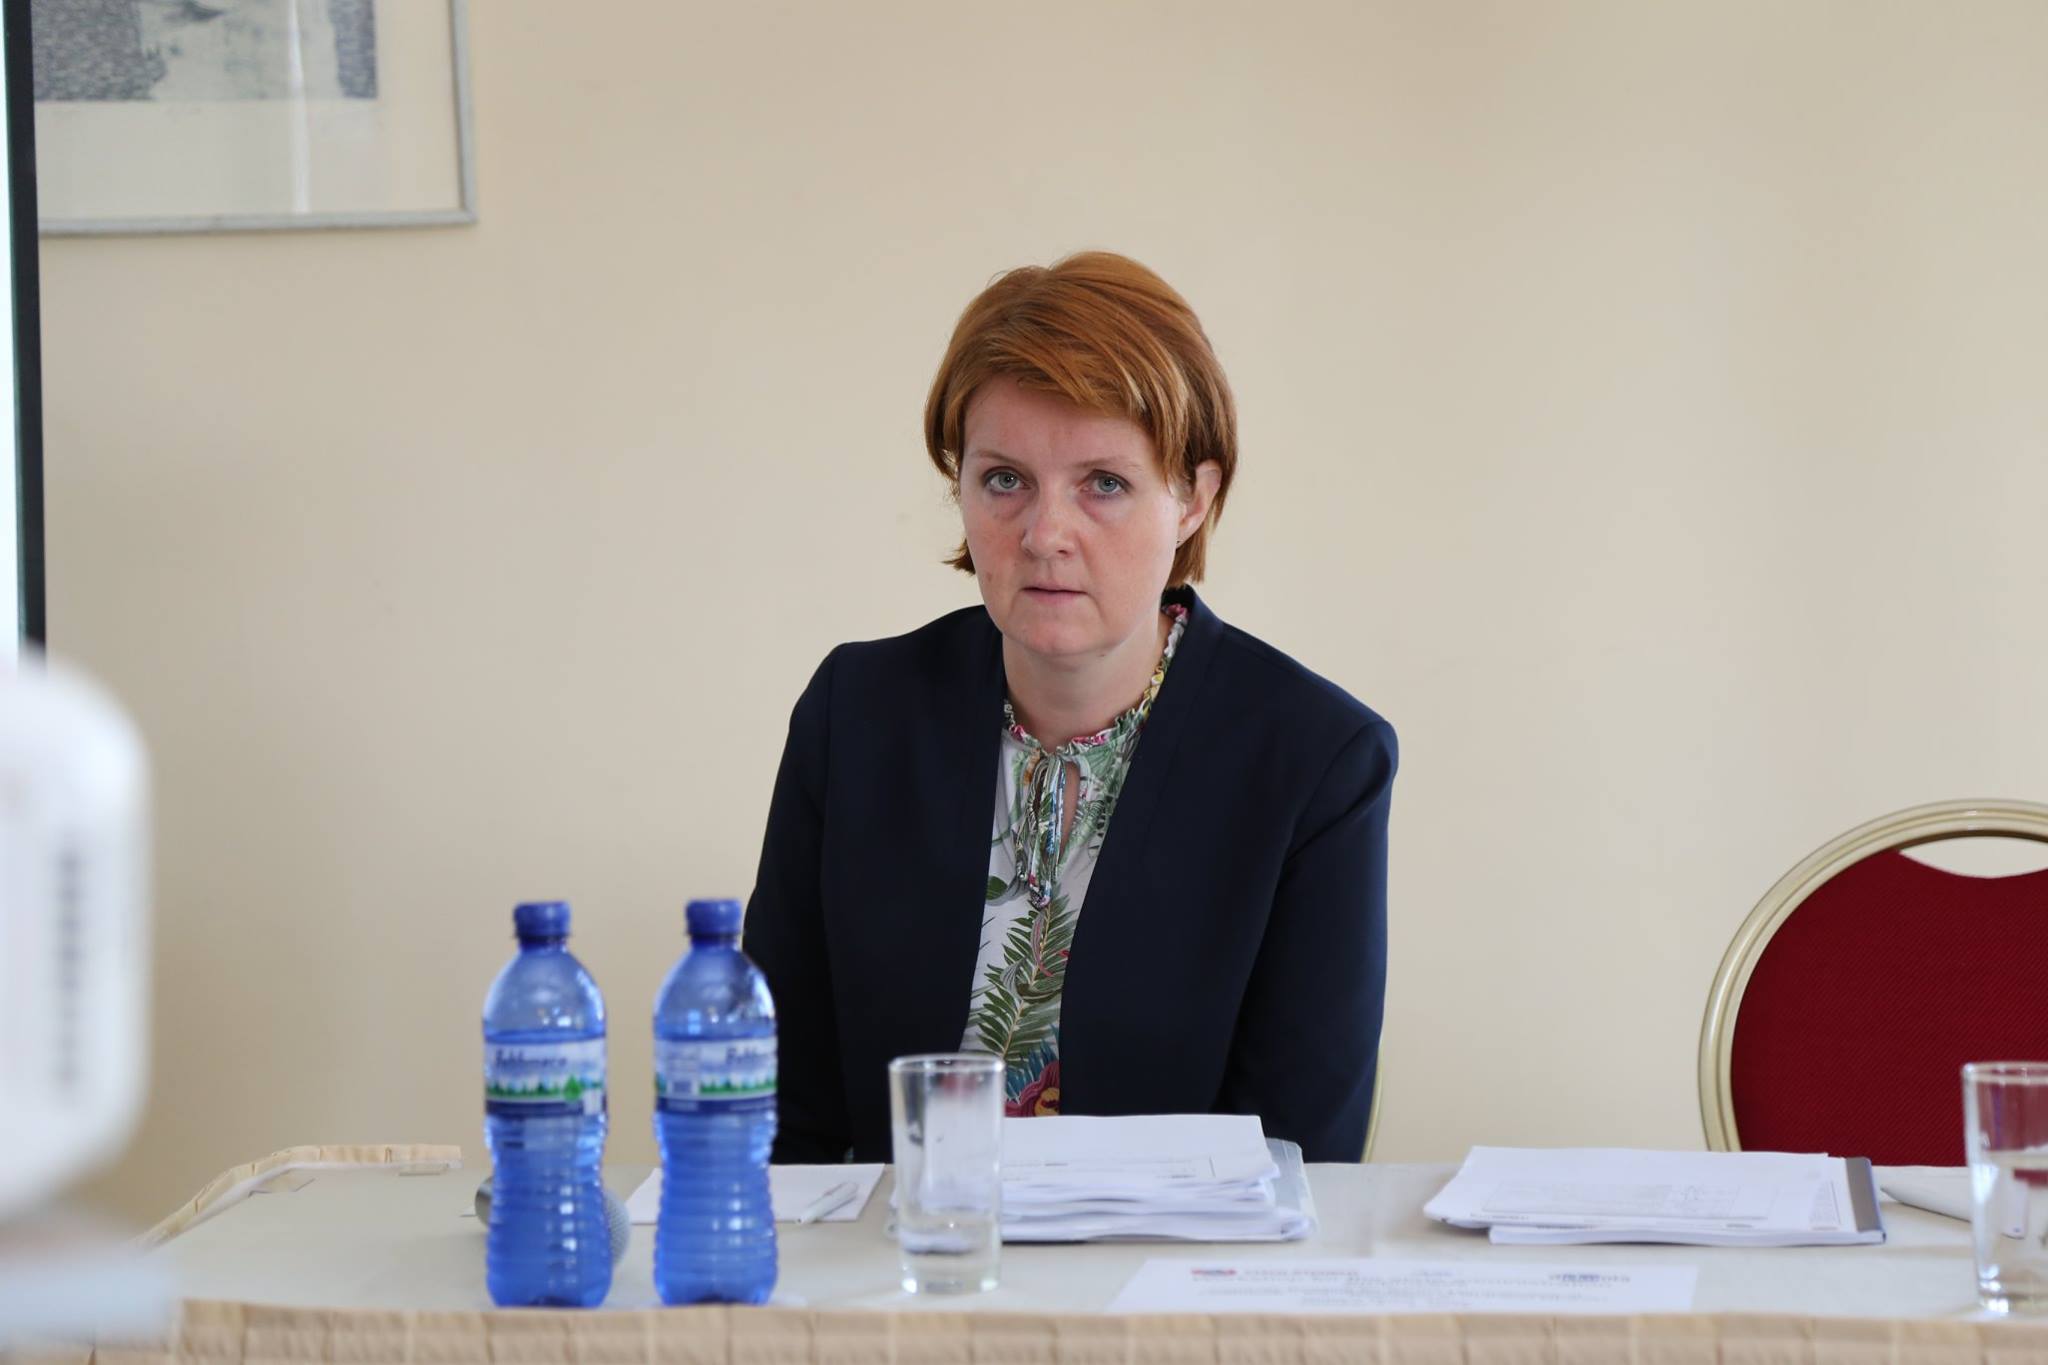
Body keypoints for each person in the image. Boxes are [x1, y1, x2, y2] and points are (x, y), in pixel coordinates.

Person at [744, 252, 1397, 1164]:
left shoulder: (1316, 760)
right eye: (1005, 479)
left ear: (1193, 498)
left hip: (1166, 1259)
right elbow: (779, 1118)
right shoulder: (854, 716)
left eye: (1105, 483)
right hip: (898, 1249)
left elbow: (1299, 1158)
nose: (1046, 534)